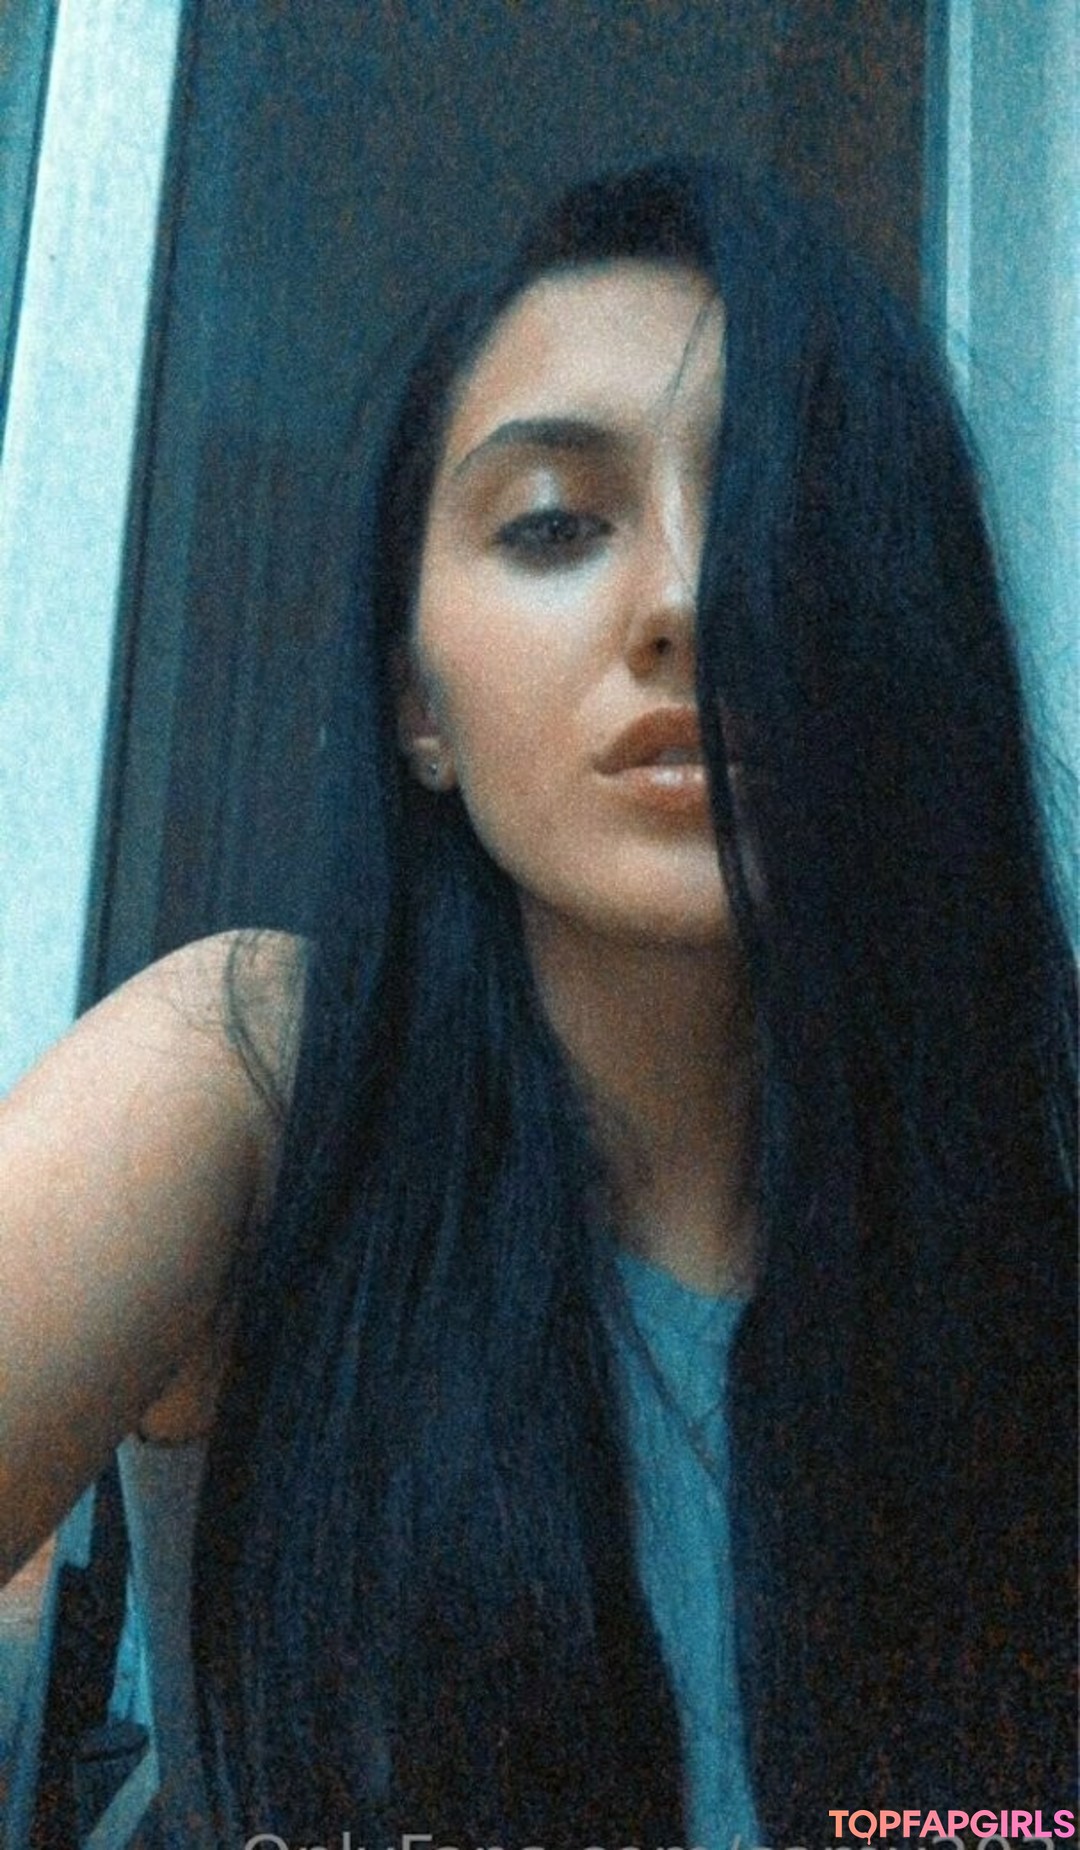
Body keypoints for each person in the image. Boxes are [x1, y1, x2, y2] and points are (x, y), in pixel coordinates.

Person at [0, 159, 1075, 1850]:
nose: (690, 602)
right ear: (418, 708)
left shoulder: (1028, 1222)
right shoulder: (265, 1081)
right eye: (558, 524)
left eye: (783, 515)